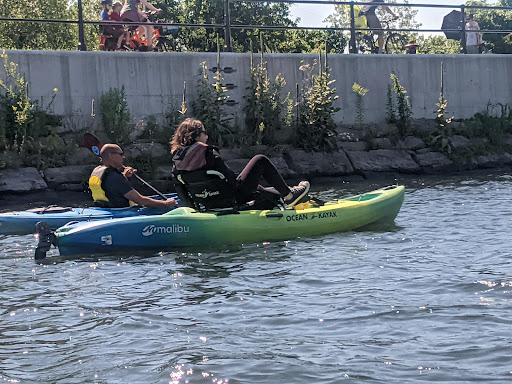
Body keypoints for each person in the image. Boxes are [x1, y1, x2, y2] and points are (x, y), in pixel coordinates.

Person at [170, 118, 310, 210]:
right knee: (260, 159)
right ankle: (289, 196)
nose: (206, 137)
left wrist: (198, 210)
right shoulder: (208, 153)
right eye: (204, 133)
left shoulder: (177, 162)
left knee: (261, 190)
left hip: (208, 204)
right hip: (233, 199)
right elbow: (232, 182)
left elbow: (182, 193)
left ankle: (282, 195)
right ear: (195, 136)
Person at [89, 144, 178, 208]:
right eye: (121, 154)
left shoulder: (98, 171)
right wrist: (166, 204)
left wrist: (124, 176)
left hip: (105, 210)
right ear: (111, 156)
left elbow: (110, 189)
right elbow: (140, 200)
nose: (123, 157)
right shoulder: (116, 178)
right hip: (121, 214)